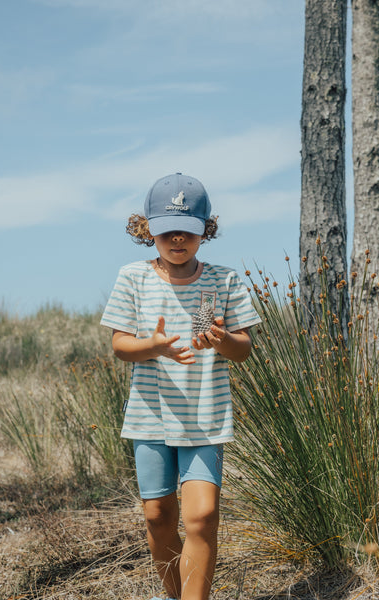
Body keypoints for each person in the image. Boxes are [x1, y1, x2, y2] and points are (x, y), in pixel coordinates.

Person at [100, 173, 261, 600]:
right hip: (149, 416)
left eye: (187, 231)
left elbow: (243, 349)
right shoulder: (133, 278)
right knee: (158, 515)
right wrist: (152, 346)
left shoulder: (224, 281)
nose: (176, 240)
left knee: (203, 517)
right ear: (145, 229)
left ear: (205, 230)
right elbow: (119, 345)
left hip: (205, 417)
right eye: (165, 230)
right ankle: (173, 595)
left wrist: (222, 340)